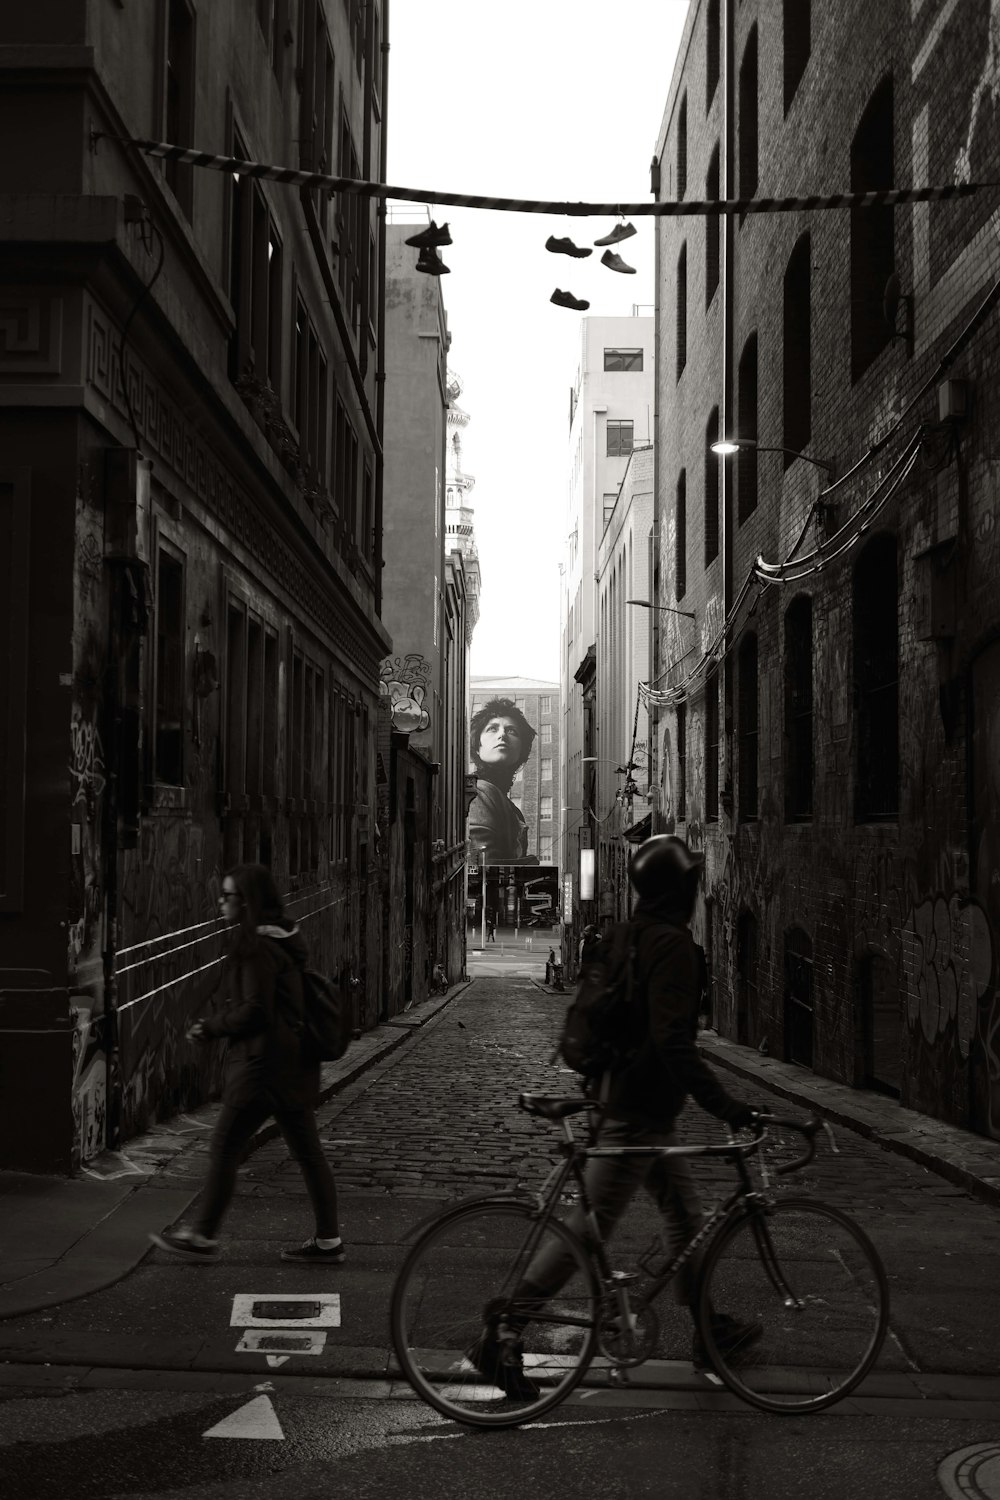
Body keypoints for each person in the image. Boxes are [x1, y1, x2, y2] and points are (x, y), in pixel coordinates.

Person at [469, 834, 760, 1398]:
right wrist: (727, 1106)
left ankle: (709, 1329)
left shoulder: (629, 933)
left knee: (685, 1219)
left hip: (631, 1102)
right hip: (636, 1110)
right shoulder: (673, 946)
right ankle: (504, 1330)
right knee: (587, 1226)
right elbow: (674, 1043)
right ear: (684, 888)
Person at [148, 864, 343, 1265]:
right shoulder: (286, 938)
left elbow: (255, 1010)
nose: (221, 902)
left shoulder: (255, 947)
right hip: (294, 1065)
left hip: (261, 1067)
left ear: (247, 901)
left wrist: (211, 1027)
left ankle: (202, 1235)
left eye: (228, 896)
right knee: (308, 1153)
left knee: (224, 1146)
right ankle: (328, 1241)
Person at [468, 697, 537, 863]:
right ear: (477, 746)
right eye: (492, 729)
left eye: (512, 731)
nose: (502, 735)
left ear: (522, 750)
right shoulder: (479, 792)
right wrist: (528, 864)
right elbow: (480, 867)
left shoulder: (506, 803)